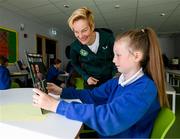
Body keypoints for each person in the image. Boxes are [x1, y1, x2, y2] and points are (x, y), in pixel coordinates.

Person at [32, 27, 169, 138]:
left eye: (118, 55)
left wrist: (56, 105)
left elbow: (109, 120)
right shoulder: (118, 81)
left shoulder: (144, 89)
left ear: (137, 56)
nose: (114, 60)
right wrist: (61, 91)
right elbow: (92, 96)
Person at [68, 7, 116, 89]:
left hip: (110, 81)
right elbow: (74, 63)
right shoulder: (75, 46)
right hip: (90, 84)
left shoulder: (108, 38)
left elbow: (117, 57)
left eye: (84, 30)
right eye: (76, 32)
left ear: (92, 26)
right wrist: (86, 77)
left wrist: (115, 76)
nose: (80, 36)